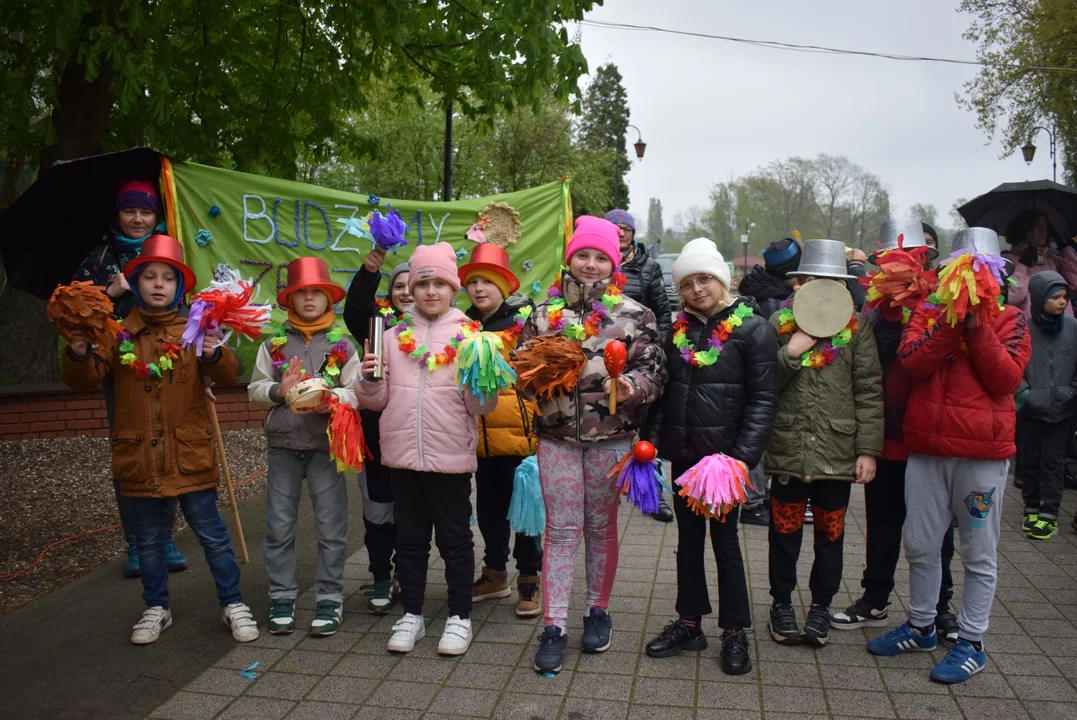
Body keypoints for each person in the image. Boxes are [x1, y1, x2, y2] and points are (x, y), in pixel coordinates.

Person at [62, 235, 258, 645]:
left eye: (167, 278)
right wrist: (79, 352)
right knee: (149, 540)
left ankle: (233, 602)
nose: (157, 284)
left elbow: (229, 375)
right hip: (141, 457)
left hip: (190, 454)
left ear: (179, 287)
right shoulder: (117, 334)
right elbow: (84, 381)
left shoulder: (196, 328)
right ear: (134, 284)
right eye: (148, 276)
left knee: (213, 536)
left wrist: (211, 354)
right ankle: (156, 607)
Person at [868, 228, 1031, 684]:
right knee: (919, 543)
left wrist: (977, 327)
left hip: (981, 456)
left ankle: (972, 641)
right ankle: (921, 626)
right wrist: (951, 321)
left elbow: (1005, 380)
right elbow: (913, 362)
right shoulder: (926, 313)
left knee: (978, 551)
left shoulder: (1012, 320)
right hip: (926, 451)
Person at [523, 216, 666, 674]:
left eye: (599, 256)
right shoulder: (544, 315)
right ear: (569, 259)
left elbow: (656, 372)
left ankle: (597, 611)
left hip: (612, 439)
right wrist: (540, 377)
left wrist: (632, 388)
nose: (590, 264)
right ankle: (555, 625)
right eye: (582, 255)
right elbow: (520, 369)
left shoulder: (634, 314)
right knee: (561, 532)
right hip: (558, 439)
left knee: (600, 529)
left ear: (614, 260)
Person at [643, 238, 777, 675]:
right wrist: (649, 444)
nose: (696, 289)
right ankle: (689, 623)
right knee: (686, 543)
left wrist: (742, 458)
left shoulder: (752, 328)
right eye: (687, 283)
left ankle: (735, 630)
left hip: (723, 464)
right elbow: (662, 395)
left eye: (704, 279)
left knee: (726, 545)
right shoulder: (676, 330)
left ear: (722, 281)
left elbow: (762, 399)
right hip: (684, 458)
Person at [356, 242, 497, 656]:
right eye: (422, 284)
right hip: (401, 456)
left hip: (450, 458)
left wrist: (481, 382)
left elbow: (481, 407)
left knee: (455, 540)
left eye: (439, 283)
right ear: (410, 291)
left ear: (455, 290)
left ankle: (458, 616)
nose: (430, 291)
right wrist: (367, 380)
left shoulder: (472, 338)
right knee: (411, 538)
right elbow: (375, 401)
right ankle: (413, 614)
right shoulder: (390, 337)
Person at [830, 219, 960, 644]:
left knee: (938, 531)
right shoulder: (871, 310)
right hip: (885, 434)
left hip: (929, 435)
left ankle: (940, 608)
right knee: (883, 522)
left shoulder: (944, 303)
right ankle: (875, 597)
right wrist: (887, 311)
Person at [765, 238, 883, 648]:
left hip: (837, 450)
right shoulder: (779, 325)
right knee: (784, 532)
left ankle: (819, 607)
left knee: (831, 535)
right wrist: (790, 352)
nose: (820, 285)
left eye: (831, 279)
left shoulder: (858, 330)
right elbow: (763, 385)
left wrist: (867, 450)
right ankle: (781, 603)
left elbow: (869, 391)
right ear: (798, 282)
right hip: (788, 447)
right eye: (812, 278)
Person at [72, 179, 186, 578]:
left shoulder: (170, 250)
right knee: (132, 450)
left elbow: (184, 311)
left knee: (166, 447)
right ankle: (138, 542)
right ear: (117, 214)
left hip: (167, 365)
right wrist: (109, 291)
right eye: (130, 211)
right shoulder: (99, 257)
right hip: (117, 366)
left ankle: (165, 538)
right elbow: (75, 312)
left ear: (157, 215)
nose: (138, 219)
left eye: (146, 211)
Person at [248, 257, 360, 636]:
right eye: (301, 293)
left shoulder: (343, 344)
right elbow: (255, 389)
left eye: (317, 292)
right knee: (279, 525)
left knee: (331, 526)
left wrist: (334, 395)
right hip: (283, 446)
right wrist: (279, 391)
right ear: (289, 300)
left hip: (324, 446)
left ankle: (329, 598)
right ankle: (281, 594)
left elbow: (357, 389)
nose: (309, 298)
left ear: (328, 298)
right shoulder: (273, 344)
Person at [460, 245, 543, 618]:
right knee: (490, 511)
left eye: (487, 282)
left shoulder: (527, 322)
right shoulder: (461, 325)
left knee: (524, 512)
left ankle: (529, 580)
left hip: (519, 439)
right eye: (472, 282)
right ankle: (495, 573)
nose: (479, 289)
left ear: (504, 286)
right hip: (480, 440)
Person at [342, 248, 410, 614]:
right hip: (377, 439)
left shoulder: (439, 329)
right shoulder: (376, 324)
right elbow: (354, 308)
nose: (405, 291)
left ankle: (408, 575)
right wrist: (370, 273)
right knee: (379, 512)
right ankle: (381, 577)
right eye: (398, 285)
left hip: (415, 437)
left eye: (411, 285)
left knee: (411, 514)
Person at [605, 209, 674, 523]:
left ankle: (652, 494)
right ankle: (606, 491)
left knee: (648, 429)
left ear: (633, 233)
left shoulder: (648, 268)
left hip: (640, 361)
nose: (620, 233)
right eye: (613, 228)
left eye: (625, 229)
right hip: (602, 363)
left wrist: (657, 352)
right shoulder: (596, 264)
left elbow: (663, 314)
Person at [734, 236, 803, 527]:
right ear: (790, 274)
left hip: (760, 377)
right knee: (759, 443)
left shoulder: (761, 289)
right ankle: (753, 504)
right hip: (766, 379)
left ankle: (758, 499)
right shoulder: (777, 303)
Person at [1014, 271, 1076, 540]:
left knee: (1053, 461)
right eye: (1055, 297)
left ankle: (1049, 515)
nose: (1062, 302)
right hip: (1030, 408)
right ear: (1040, 299)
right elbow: (1013, 364)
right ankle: (1031, 508)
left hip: (1063, 409)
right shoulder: (1022, 327)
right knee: (1029, 460)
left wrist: (1071, 391)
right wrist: (1025, 394)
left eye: (1065, 297)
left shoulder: (1073, 328)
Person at [1002, 210, 1077, 319]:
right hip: (1032, 330)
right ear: (1023, 230)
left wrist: (1063, 246)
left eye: (1046, 227)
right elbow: (1013, 297)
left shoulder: (1051, 260)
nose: (1043, 231)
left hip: (1064, 328)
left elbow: (1075, 283)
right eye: (1036, 227)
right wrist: (1022, 264)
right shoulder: (1008, 260)